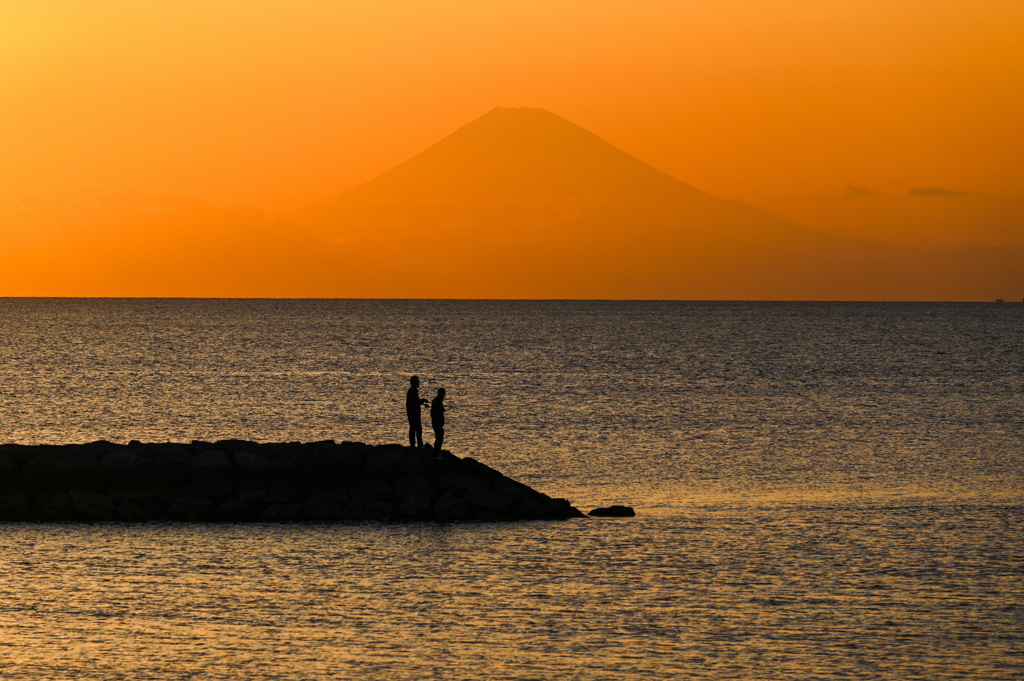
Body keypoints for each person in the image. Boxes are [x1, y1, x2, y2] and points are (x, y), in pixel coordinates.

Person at [406, 375, 428, 448]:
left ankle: (414, 444)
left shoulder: (412, 391)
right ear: (413, 383)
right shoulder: (413, 391)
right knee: (417, 429)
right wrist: (421, 401)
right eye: (417, 381)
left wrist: (421, 401)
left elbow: (415, 401)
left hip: (412, 413)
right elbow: (414, 402)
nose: (418, 383)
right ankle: (418, 445)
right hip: (414, 414)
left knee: (414, 429)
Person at [430, 388, 446, 457]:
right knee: (439, 437)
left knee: (439, 437)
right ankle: (436, 453)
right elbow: (433, 412)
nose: (444, 396)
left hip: (438, 423)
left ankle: (436, 452)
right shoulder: (437, 401)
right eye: (443, 394)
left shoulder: (437, 401)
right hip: (437, 423)